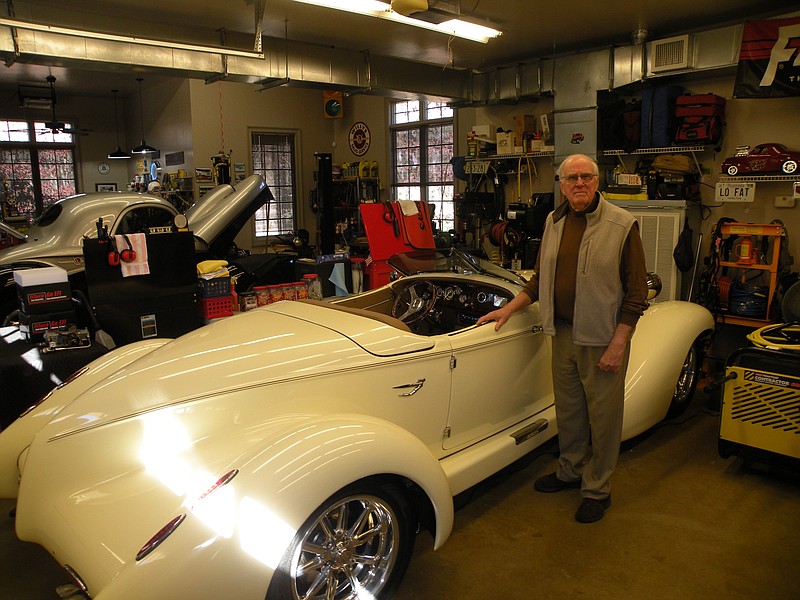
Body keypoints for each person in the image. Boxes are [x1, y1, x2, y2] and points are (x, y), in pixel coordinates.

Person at [476, 154, 648, 523]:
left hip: (603, 339)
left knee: (603, 419)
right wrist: (511, 308)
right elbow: (540, 279)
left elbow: (636, 293)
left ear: (597, 181)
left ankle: (597, 488)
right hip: (563, 332)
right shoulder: (554, 222)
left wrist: (618, 344)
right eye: (572, 178)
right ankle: (570, 471)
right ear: (562, 183)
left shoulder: (622, 225)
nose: (579, 183)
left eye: (586, 176)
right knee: (569, 412)